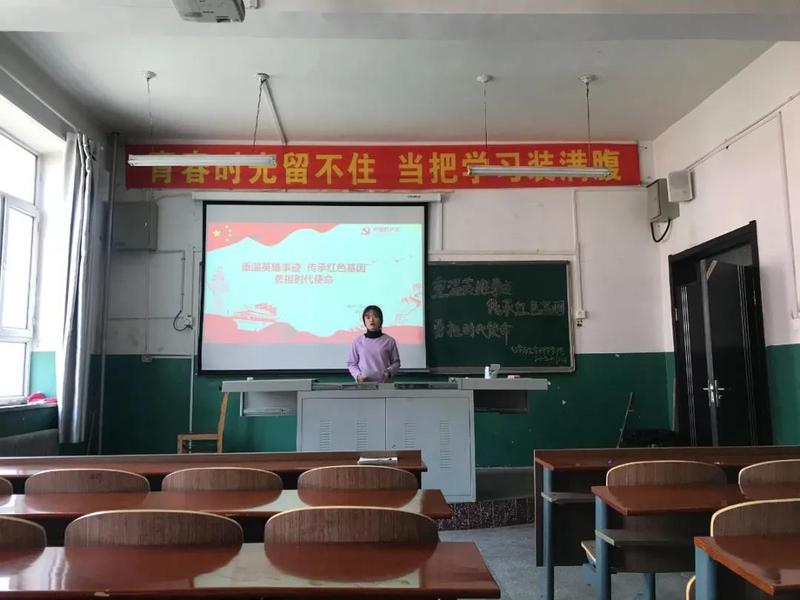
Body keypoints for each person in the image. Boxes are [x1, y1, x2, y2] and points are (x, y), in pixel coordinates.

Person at [346, 305, 401, 382]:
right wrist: (358, 376)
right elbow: (351, 363)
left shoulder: (389, 341)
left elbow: (396, 363)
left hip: (383, 385)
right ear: (364, 321)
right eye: (368, 317)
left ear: (381, 320)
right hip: (363, 385)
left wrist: (389, 372)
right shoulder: (357, 341)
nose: (371, 320)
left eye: (375, 316)